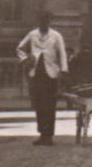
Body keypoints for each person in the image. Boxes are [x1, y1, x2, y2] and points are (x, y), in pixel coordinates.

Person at [16, 10, 68, 146]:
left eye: (46, 21)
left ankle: (49, 135)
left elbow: (62, 53)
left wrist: (63, 70)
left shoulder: (56, 36)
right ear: (38, 22)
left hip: (50, 74)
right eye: (41, 21)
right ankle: (42, 134)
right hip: (36, 74)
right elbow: (19, 48)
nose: (43, 23)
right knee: (38, 104)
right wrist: (26, 59)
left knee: (49, 105)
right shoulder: (32, 34)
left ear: (50, 21)